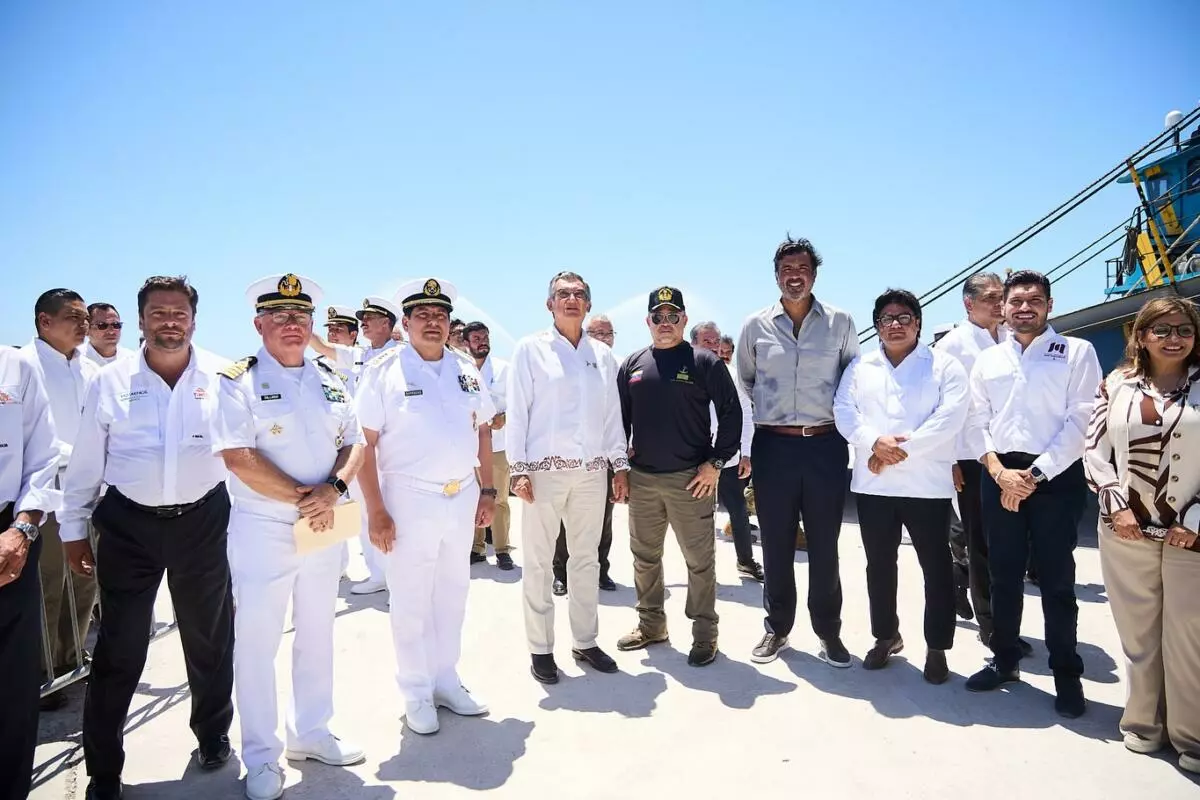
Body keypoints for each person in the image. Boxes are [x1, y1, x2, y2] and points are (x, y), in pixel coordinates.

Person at [59, 276, 236, 800]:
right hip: (129, 526)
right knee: (120, 648)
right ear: (141, 320)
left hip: (203, 520)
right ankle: (104, 770)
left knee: (210, 639)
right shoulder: (109, 381)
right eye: (158, 313)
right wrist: (73, 529)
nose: (169, 322)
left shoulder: (224, 376)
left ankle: (212, 735)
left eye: (179, 313)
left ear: (194, 320)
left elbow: (242, 453)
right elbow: (87, 461)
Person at [214, 273, 366, 800]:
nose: (292, 324)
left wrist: (334, 489)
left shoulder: (329, 375)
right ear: (259, 324)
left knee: (318, 631)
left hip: (325, 521)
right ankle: (261, 756)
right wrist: (311, 499)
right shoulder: (237, 380)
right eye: (279, 315)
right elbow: (239, 457)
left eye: (301, 315)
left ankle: (312, 731)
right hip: (264, 527)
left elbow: (355, 442)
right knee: (258, 644)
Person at [354, 277, 497, 736]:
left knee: (453, 594)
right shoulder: (384, 371)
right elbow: (364, 443)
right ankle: (416, 691)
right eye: (423, 315)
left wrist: (489, 491)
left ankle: (446, 681)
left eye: (440, 315)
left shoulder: (465, 368)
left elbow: (483, 429)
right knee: (411, 599)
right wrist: (376, 510)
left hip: (462, 495)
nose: (433, 322)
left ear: (449, 322)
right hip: (408, 498)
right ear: (406, 322)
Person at [963, 270, 1100, 718]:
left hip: (1055, 478)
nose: (1024, 308)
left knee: (1057, 582)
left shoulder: (1077, 352)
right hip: (999, 473)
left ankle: (1066, 675)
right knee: (1002, 576)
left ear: (1049, 306)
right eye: (1016, 301)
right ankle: (1005, 660)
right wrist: (999, 471)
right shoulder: (988, 360)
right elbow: (976, 420)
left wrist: (1033, 477)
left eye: (1034, 300)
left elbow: (1081, 421)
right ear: (1002, 307)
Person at [1083, 297, 1200, 774]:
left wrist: (1195, 519)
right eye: (1162, 329)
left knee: (1189, 636)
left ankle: (1192, 735)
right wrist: (1116, 505)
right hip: (1126, 530)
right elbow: (1094, 449)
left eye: (1184, 329)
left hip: (1191, 537)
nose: (1174, 338)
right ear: (1142, 335)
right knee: (1139, 636)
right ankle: (1145, 724)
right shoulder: (1116, 384)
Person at [833, 289, 968, 683]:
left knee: (936, 567)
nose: (895, 325)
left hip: (927, 485)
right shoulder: (860, 367)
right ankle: (886, 636)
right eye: (886, 319)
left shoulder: (944, 365)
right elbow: (844, 411)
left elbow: (950, 417)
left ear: (918, 323)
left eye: (903, 317)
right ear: (877, 326)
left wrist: (895, 451)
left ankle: (937, 647)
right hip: (875, 486)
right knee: (879, 566)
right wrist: (874, 443)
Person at [736, 236, 859, 666]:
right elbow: (745, 382)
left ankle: (829, 632)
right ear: (776, 276)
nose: (795, 276)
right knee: (775, 543)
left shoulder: (841, 323)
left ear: (814, 275)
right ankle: (777, 629)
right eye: (787, 270)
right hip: (773, 448)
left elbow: (853, 381)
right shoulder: (755, 326)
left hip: (825, 445)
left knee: (825, 545)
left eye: (802, 269)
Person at [508, 271, 629, 684]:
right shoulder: (530, 349)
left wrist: (619, 465)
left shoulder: (602, 355)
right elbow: (518, 412)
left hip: (592, 473)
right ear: (550, 304)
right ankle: (541, 649)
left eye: (579, 294)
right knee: (539, 562)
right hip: (543, 474)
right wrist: (518, 469)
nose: (571, 300)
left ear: (588, 304)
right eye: (563, 294)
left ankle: (585, 641)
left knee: (586, 560)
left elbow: (612, 415)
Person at [615, 289, 741, 666]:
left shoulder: (704, 361)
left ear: (684, 320)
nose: (665, 323)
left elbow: (731, 412)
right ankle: (651, 625)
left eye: (673, 316)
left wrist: (715, 463)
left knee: (699, 562)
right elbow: (618, 421)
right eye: (658, 317)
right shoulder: (633, 364)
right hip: (643, 480)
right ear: (648, 322)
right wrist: (619, 466)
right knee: (644, 558)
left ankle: (704, 634)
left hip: (691, 480)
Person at [935, 272, 1035, 655]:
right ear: (969, 303)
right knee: (981, 544)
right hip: (972, 458)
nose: (999, 304)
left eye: (1001, 297)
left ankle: (1005, 619)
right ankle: (991, 627)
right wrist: (949, 459)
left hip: (1013, 455)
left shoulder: (1014, 339)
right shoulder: (953, 346)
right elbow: (943, 407)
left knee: (1012, 544)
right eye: (991, 297)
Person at [23, 288, 99, 710]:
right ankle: (43, 669)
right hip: (47, 495)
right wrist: (82, 457)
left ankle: (73, 660)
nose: (84, 325)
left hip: (90, 493)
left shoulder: (88, 369)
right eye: (74, 317)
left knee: (85, 579)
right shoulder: (23, 367)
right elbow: (33, 435)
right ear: (44, 321)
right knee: (50, 583)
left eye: (86, 318)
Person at [309, 295, 402, 596]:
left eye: (369, 318)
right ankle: (379, 574)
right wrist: (302, 321)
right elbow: (323, 348)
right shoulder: (361, 355)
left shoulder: (402, 354)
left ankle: (399, 582)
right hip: (364, 448)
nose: (363, 323)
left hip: (392, 448)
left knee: (395, 514)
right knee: (365, 512)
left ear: (386, 323)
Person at [0, 346, 58, 800]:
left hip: (8, 535)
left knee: (12, 682)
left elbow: (42, 456)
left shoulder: (14, 367)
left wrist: (22, 529)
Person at [552, 314, 618, 594]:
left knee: (602, 519)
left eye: (608, 333)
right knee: (563, 520)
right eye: (597, 333)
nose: (603, 338)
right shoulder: (566, 364)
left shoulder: (616, 366)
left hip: (605, 457)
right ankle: (561, 573)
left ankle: (600, 569)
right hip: (566, 457)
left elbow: (621, 414)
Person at [691, 321, 760, 580]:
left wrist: (746, 453)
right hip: (695, 460)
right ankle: (701, 570)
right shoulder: (684, 373)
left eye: (715, 341)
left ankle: (746, 562)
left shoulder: (733, 376)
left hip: (728, 458)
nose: (712, 346)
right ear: (693, 343)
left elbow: (746, 416)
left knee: (738, 511)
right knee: (698, 519)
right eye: (706, 341)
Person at [465, 320, 514, 570]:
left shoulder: (505, 369)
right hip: (468, 446)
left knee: (500, 498)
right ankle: (477, 548)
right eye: (476, 339)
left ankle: (503, 550)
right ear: (466, 343)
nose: (482, 342)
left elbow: (520, 403)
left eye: (485, 337)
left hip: (497, 445)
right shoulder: (460, 370)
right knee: (472, 497)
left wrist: (504, 417)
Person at [84, 302, 135, 367]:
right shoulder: (75, 360)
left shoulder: (133, 360)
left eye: (116, 325)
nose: (111, 331)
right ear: (86, 330)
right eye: (102, 326)